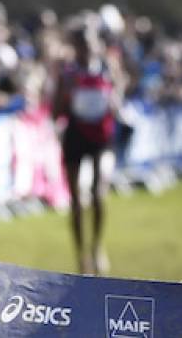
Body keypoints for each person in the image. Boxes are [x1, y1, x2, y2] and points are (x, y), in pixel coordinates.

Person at [52, 24, 118, 275]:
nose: (87, 49)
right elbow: (55, 113)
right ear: (76, 47)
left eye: (90, 44)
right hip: (76, 135)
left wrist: (113, 98)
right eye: (82, 45)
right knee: (76, 200)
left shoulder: (107, 69)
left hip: (102, 137)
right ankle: (81, 256)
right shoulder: (68, 74)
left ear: (97, 45)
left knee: (98, 194)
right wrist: (67, 95)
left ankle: (97, 247)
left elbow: (117, 103)